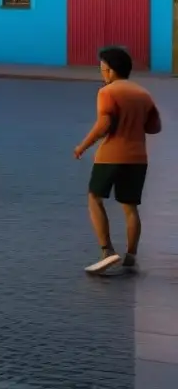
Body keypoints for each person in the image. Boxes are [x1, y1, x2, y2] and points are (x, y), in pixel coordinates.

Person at [74, 46, 161, 275]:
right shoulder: (144, 94)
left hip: (111, 155)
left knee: (94, 197)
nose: (102, 73)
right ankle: (131, 256)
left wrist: (82, 146)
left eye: (102, 69)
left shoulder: (107, 92)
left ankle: (107, 250)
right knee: (130, 207)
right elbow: (155, 127)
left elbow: (104, 124)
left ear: (110, 71)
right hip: (138, 157)